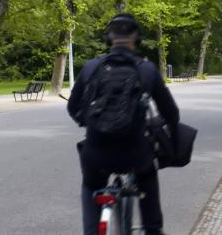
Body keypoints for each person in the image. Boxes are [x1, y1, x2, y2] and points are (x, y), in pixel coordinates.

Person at [67, 13, 180, 235]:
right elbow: (171, 113)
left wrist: (89, 121)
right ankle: (153, 230)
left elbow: (73, 107)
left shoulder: (92, 67)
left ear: (109, 37)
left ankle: (92, 231)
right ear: (137, 38)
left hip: (96, 153)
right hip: (136, 154)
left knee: (91, 185)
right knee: (147, 176)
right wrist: (172, 140)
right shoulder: (146, 70)